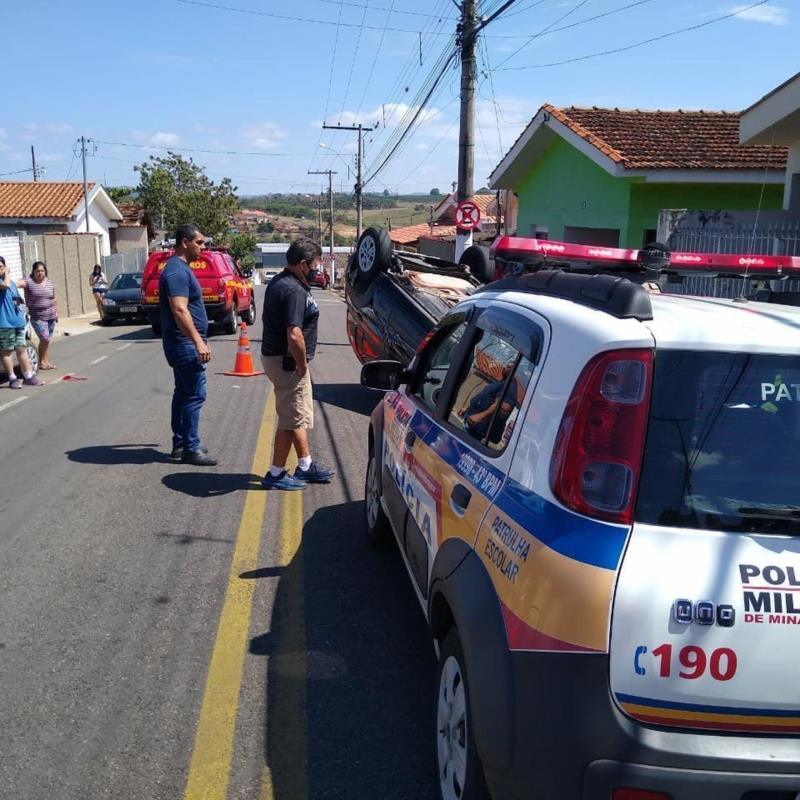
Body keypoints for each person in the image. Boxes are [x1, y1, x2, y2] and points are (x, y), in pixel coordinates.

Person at [260, 237, 333, 490]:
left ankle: (305, 465)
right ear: (303, 264)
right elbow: (294, 334)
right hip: (288, 363)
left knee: (296, 415)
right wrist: (302, 365)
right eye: (316, 264)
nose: (319, 268)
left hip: (283, 360)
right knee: (291, 421)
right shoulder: (292, 289)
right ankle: (276, 473)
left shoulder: (288, 282)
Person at [159, 224, 216, 466]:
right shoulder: (177, 272)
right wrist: (198, 342)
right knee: (195, 394)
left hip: (183, 343)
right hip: (184, 344)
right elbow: (180, 309)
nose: (203, 247)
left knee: (183, 393)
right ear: (185, 242)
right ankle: (190, 447)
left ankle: (181, 445)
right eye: (199, 242)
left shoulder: (179, 269)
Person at [0, 256, 44, 389]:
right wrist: (6, 272)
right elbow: (5, 285)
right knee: (6, 352)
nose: (0, 270)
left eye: (1, 267)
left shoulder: (12, 283)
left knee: (21, 350)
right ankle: (12, 378)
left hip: (18, 322)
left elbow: (17, 298)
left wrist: (23, 311)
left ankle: (28, 376)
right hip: (4, 323)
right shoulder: (5, 282)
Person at [19, 261, 58, 370]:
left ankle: (45, 361)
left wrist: (56, 313)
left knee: (47, 340)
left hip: (51, 316)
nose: (40, 273)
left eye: (42, 271)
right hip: (38, 316)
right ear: (34, 272)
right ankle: (41, 362)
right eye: (37, 271)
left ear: (45, 271)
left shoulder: (50, 282)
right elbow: (17, 284)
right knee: (44, 338)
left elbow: (54, 299)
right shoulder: (29, 282)